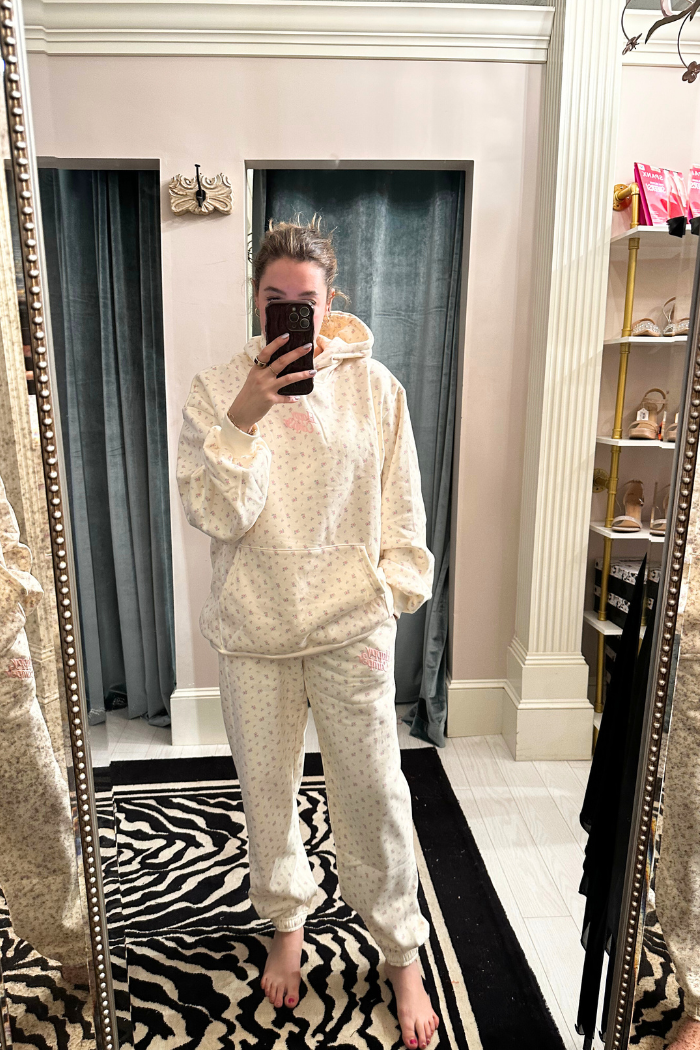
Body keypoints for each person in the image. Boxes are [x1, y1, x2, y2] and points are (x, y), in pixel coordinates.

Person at [177, 219, 440, 1050]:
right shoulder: (216, 390)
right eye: (274, 300)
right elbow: (217, 515)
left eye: (306, 301)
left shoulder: (376, 388)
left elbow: (403, 504)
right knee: (267, 795)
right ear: (256, 301)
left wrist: (389, 593)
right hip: (254, 631)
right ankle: (286, 923)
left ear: (330, 303)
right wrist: (242, 420)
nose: (290, 313)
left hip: (350, 628)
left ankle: (401, 951)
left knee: (375, 795)